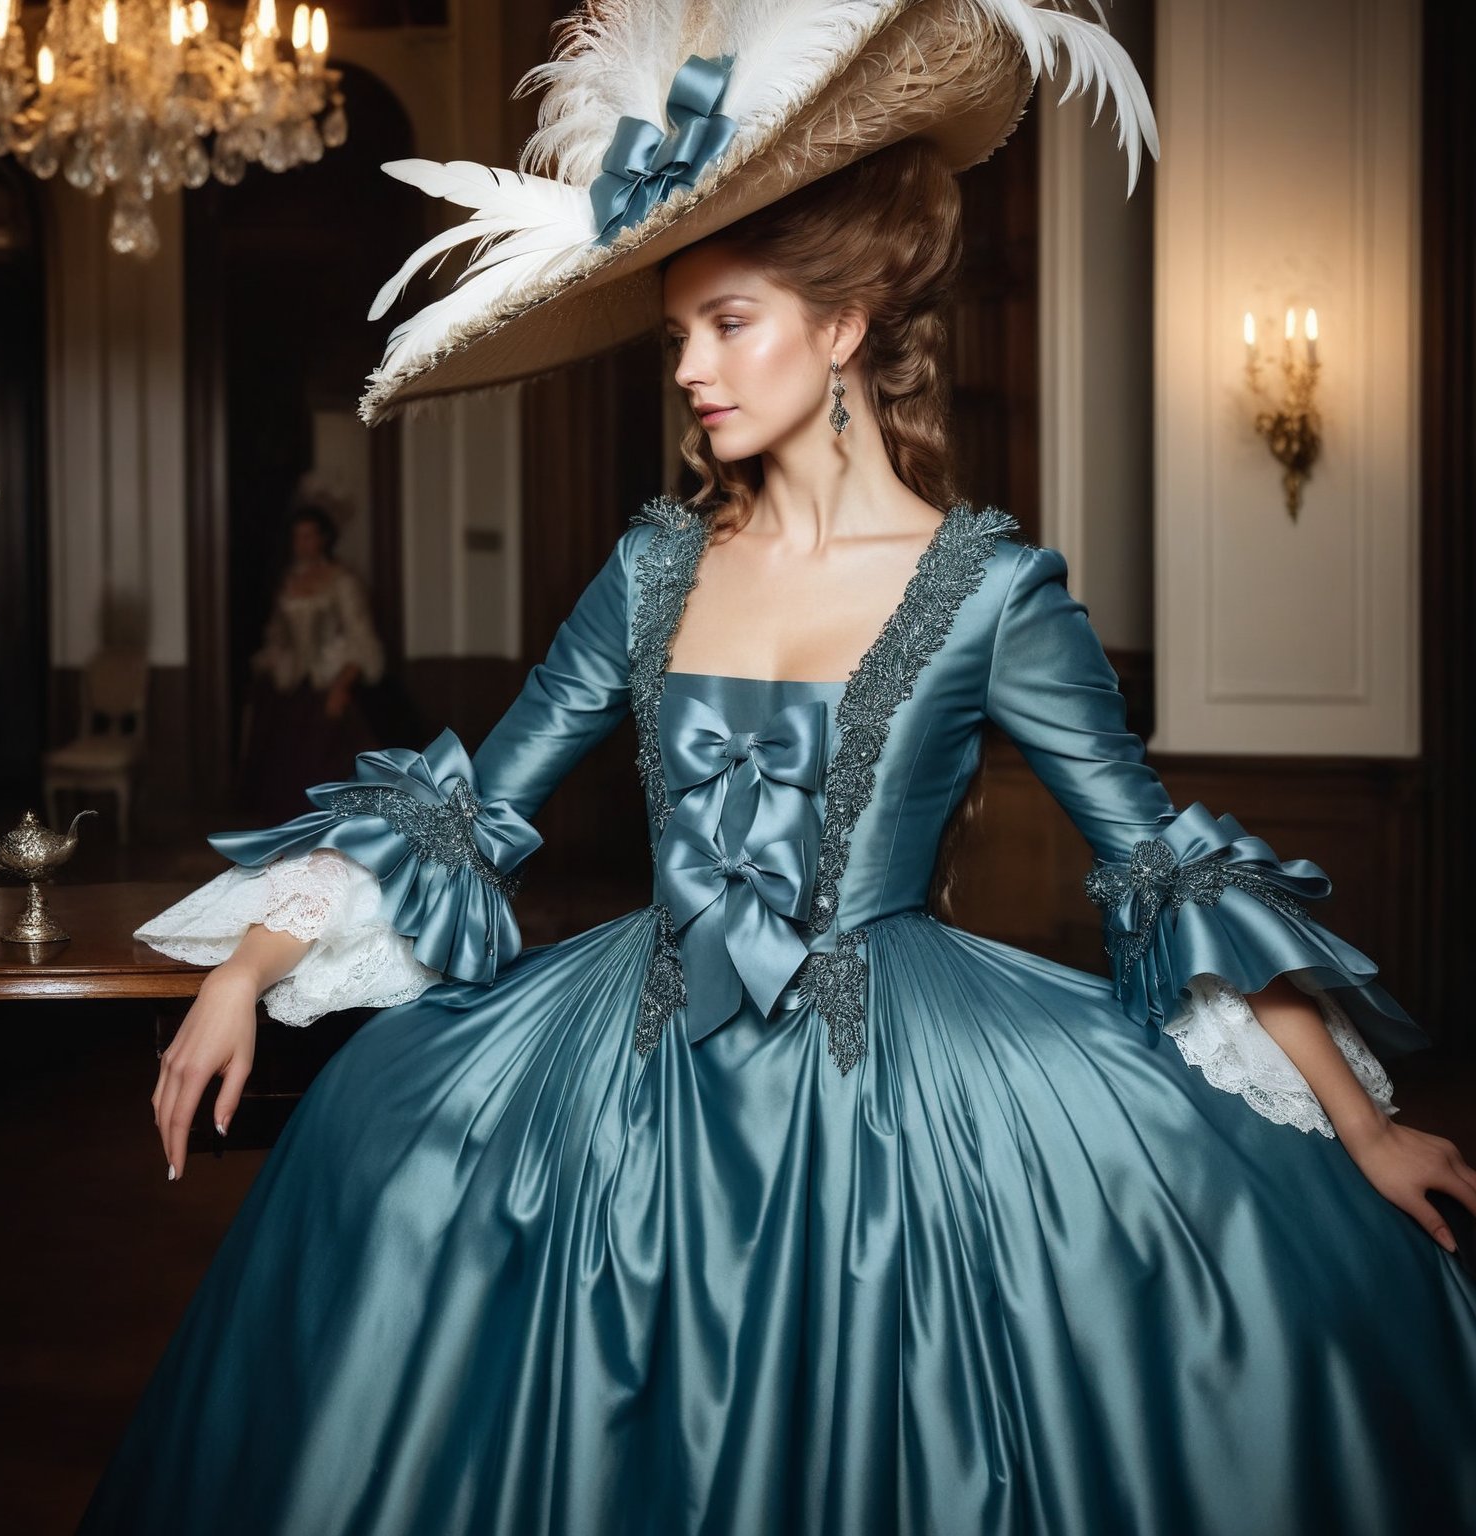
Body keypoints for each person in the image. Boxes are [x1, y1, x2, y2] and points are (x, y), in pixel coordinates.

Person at [82, 5, 1476, 1532]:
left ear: (846, 325)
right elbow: (473, 805)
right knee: (386, 1163)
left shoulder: (995, 591)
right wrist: (244, 968)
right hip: (627, 1071)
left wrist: (1360, 1125)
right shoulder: (653, 563)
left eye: (726, 322)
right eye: (675, 329)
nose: (687, 367)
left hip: (905, 1097)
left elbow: (1164, 871)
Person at [237, 495, 386, 823]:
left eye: (309, 535)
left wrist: (342, 685)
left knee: (326, 760)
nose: (302, 544)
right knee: (280, 770)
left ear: (323, 538)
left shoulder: (342, 581)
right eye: (297, 536)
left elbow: (361, 640)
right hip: (291, 683)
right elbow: (277, 635)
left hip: (329, 680)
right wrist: (275, 665)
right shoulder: (289, 582)